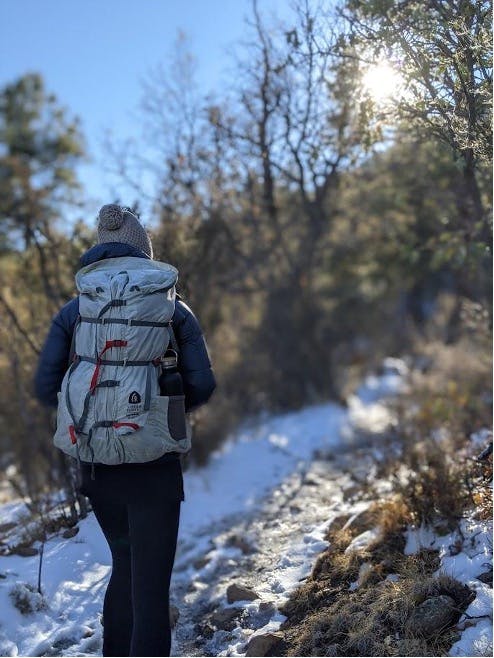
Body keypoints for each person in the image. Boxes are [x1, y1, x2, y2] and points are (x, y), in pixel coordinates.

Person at [34, 204, 216, 657]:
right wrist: (161, 409)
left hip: (96, 465)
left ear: (99, 251)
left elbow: (44, 385)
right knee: (150, 583)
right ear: (145, 251)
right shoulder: (172, 308)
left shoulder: (77, 308)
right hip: (155, 466)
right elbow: (203, 384)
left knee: (124, 563)